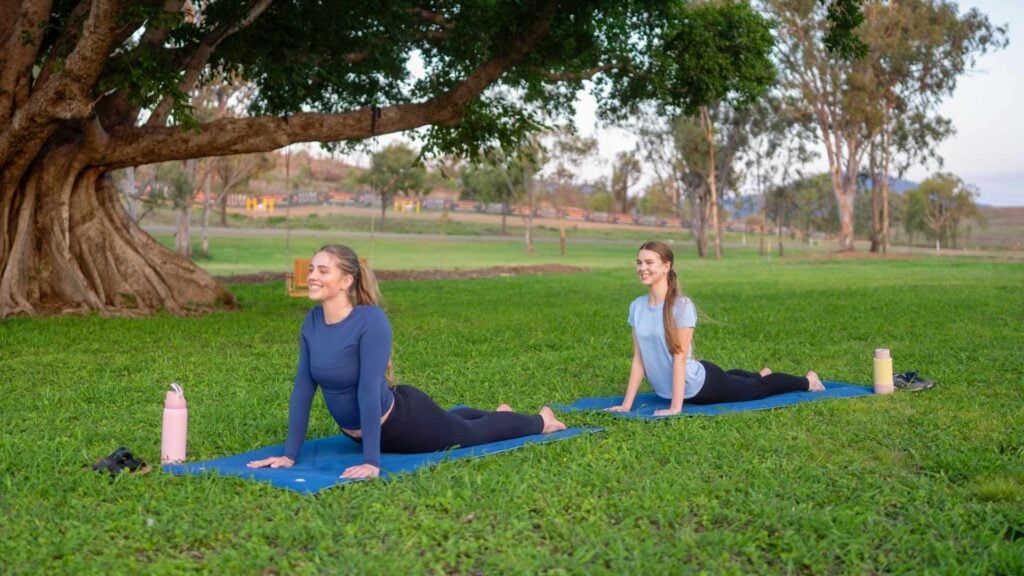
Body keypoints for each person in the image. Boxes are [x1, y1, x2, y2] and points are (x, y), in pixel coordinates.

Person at [247, 244, 566, 479]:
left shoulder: (370, 321)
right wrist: (289, 456)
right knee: (454, 421)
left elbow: (368, 391)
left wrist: (372, 461)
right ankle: (497, 415)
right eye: (312, 268)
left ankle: (541, 420)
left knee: (469, 436)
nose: (311, 276)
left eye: (322, 270)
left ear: (346, 281)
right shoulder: (313, 322)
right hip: (365, 428)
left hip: (403, 424)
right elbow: (303, 389)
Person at [608, 241, 825, 417]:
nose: (642, 268)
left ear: (666, 266)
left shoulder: (681, 306)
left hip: (700, 386)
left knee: (760, 388)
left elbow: (680, 360)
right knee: (734, 379)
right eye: (639, 262)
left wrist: (675, 408)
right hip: (688, 380)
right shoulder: (637, 307)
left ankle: (809, 382)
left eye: (649, 262)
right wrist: (626, 405)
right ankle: (757, 374)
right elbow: (639, 359)